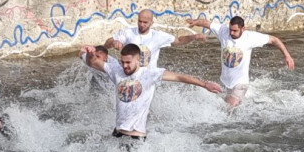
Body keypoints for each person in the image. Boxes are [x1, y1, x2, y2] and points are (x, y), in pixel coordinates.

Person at [80, 43, 223, 140]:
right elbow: (93, 62)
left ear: (138, 60)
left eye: (128, 62)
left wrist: (205, 84)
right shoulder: (115, 70)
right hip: (117, 132)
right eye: (123, 62)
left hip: (136, 137)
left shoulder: (149, 74)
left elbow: (179, 76)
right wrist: (91, 53)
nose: (125, 66)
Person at [184, 14, 295, 106]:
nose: (231, 33)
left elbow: (274, 40)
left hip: (240, 84)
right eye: (230, 29)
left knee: (229, 107)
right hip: (224, 82)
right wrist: (195, 22)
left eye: (235, 31)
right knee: (220, 105)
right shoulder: (224, 31)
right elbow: (207, 23)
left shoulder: (250, 37)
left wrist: (287, 56)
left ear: (243, 29)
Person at [102, 8, 201, 69]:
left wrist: (194, 37)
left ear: (151, 23)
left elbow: (179, 41)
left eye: (145, 22)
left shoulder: (158, 36)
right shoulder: (128, 32)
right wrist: (114, 42)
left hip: (148, 77)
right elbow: (106, 44)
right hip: (129, 73)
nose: (141, 25)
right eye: (140, 21)